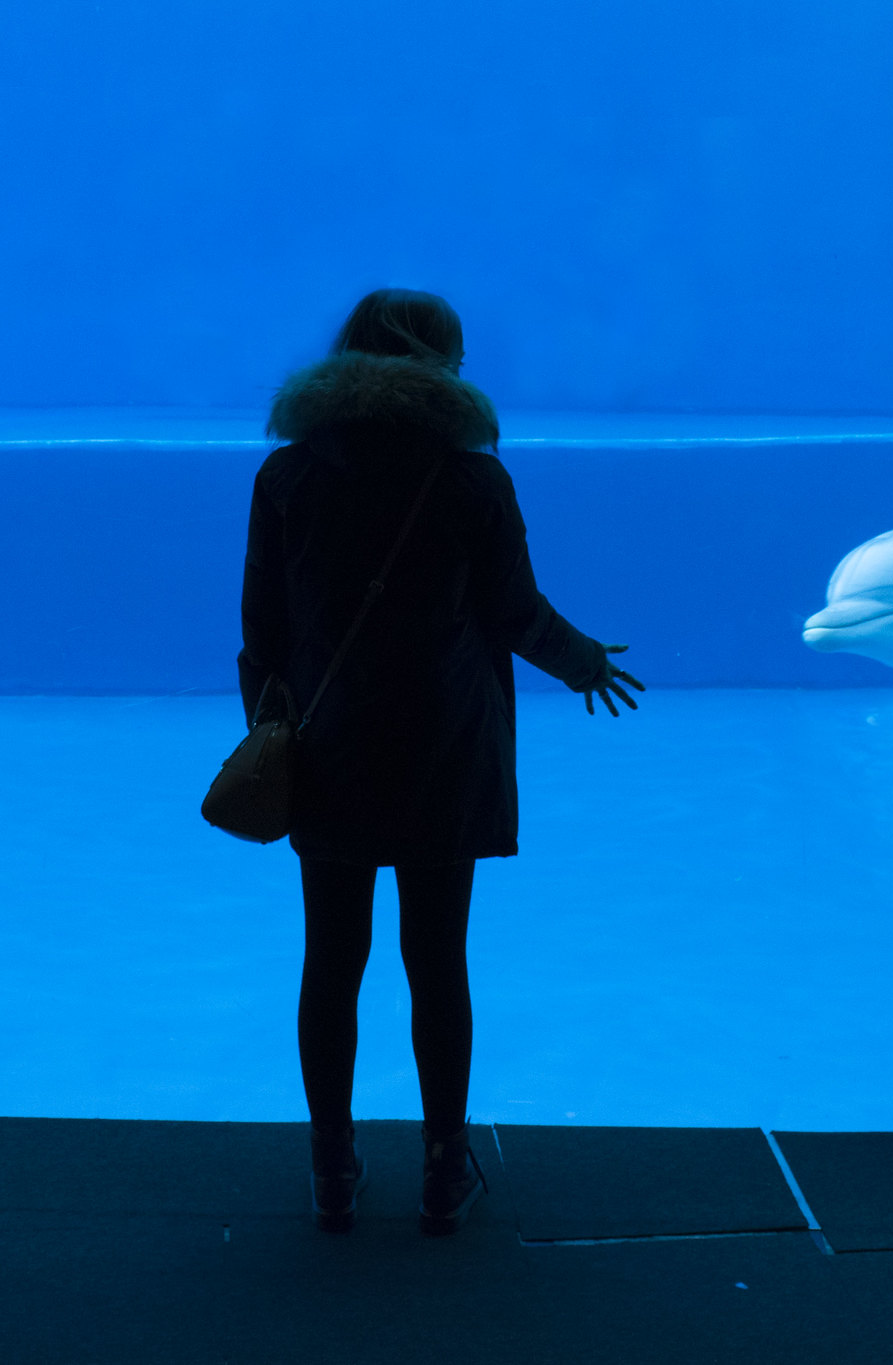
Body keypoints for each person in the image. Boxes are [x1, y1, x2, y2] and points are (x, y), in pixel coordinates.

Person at [238, 289, 643, 1236]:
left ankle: (332, 1165)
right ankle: (440, 1166)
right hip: (442, 750)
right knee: (437, 961)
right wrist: (585, 663)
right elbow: (513, 612)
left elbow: (262, 629)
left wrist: (271, 732)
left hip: (327, 750)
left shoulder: (288, 477)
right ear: (439, 362)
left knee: (331, 961)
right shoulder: (470, 480)